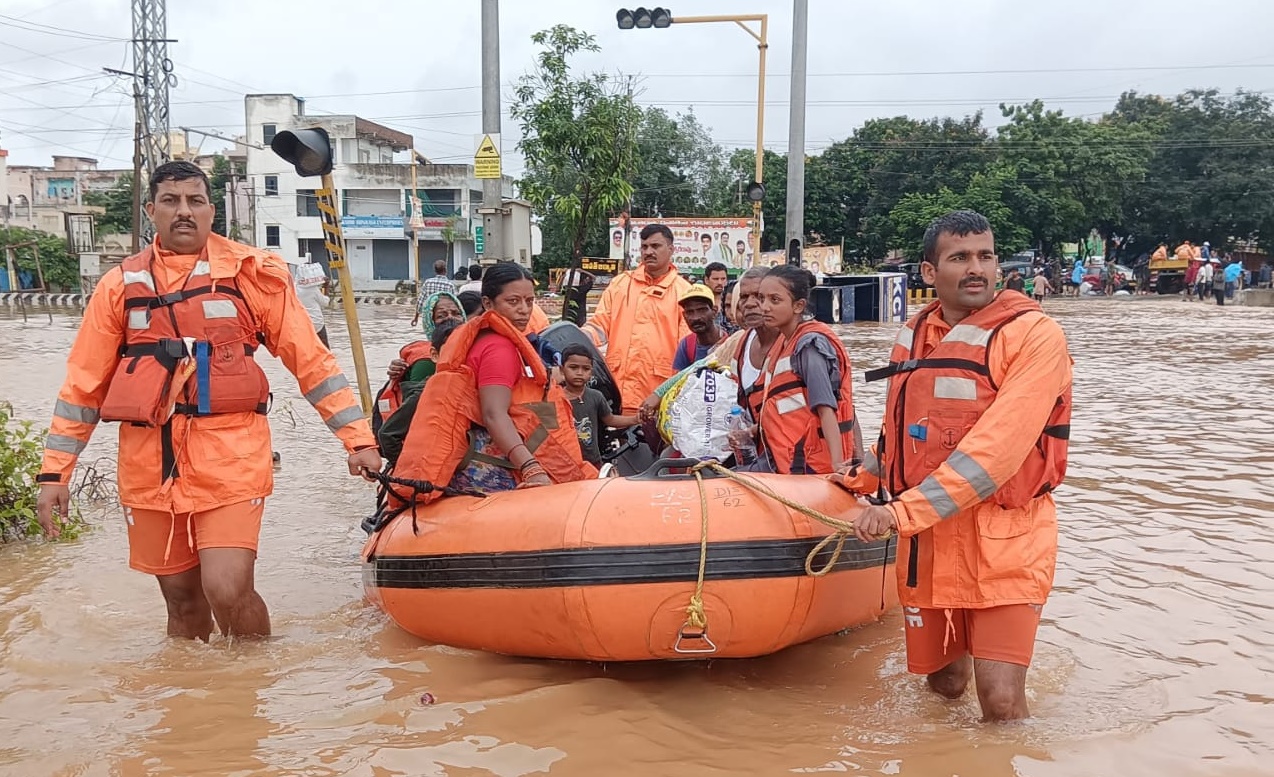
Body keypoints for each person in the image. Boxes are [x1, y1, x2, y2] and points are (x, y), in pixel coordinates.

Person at [34, 160, 380, 640]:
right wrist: (55, 473)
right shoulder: (118, 287)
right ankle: (198, 703)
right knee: (182, 603)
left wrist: (357, 439)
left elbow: (312, 363)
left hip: (231, 459)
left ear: (211, 211)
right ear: (151, 211)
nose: (184, 212)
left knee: (227, 587)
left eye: (195, 201)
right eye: (171, 202)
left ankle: (251, 686)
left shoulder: (250, 275)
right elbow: (82, 389)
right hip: (150, 464)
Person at [843, 210, 1073, 722]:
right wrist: (865, 476)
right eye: (960, 257)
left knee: (1002, 701)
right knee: (943, 687)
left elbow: (995, 453)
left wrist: (898, 513)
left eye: (986, 256)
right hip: (931, 544)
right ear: (930, 273)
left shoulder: (1035, 336)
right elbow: (908, 432)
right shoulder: (914, 331)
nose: (977, 268)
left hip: (1005, 542)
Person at [391, 262, 595, 501]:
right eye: (513, 301)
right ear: (488, 303)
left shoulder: (485, 338)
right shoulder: (499, 349)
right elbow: (493, 414)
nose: (524, 310)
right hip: (497, 464)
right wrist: (531, 468)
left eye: (529, 301)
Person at [731, 265, 861, 475]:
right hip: (781, 457)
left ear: (799, 306)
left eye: (775, 300)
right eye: (762, 299)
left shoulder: (809, 347)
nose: (764, 307)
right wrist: (750, 432)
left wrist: (838, 466)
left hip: (807, 463)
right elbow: (785, 412)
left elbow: (826, 409)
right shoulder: (783, 344)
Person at [582, 223, 691, 415]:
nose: (648, 252)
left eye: (655, 246)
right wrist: (578, 339)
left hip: (659, 397)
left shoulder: (683, 293)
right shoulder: (620, 284)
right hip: (617, 392)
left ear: (671, 249)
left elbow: (686, 349)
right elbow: (599, 324)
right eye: (644, 247)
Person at [376, 291, 467, 458]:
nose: (450, 319)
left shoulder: (471, 351)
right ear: (429, 320)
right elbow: (402, 425)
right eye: (441, 315)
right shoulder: (426, 362)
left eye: (456, 313)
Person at [560, 343, 638, 467]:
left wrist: (635, 419)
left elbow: (610, 419)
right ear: (561, 370)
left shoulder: (596, 396)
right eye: (573, 367)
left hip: (593, 461)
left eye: (585, 369)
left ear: (591, 372)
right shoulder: (557, 399)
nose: (579, 373)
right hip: (567, 463)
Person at [673, 284, 727, 371]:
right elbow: (678, 382)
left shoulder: (730, 343)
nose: (696, 317)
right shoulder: (686, 345)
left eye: (702, 310)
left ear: (714, 311)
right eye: (690, 312)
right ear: (684, 315)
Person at [288, 257, 330, 348]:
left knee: (306, 351)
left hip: (301, 325)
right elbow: (325, 303)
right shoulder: (313, 290)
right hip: (317, 324)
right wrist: (326, 287)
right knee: (325, 350)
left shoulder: (294, 288)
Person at [412, 259, 456, 329]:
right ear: (445, 270)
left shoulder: (428, 282)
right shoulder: (450, 285)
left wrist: (416, 318)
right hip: (444, 317)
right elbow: (455, 303)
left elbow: (420, 301)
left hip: (429, 317)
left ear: (435, 271)